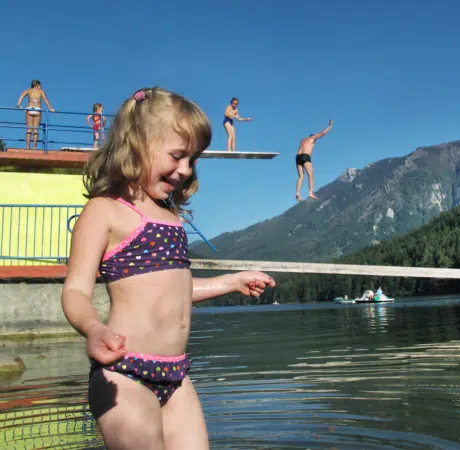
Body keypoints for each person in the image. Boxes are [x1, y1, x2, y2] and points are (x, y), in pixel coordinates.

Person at [61, 87, 275, 450]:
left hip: (177, 376)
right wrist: (93, 328)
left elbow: (174, 292)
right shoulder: (105, 211)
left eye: (192, 160)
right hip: (124, 373)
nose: (185, 170)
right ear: (138, 143)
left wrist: (230, 281)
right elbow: (76, 290)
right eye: (177, 156)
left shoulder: (172, 219)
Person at [295, 119, 332, 202]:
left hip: (297, 157)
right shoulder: (313, 138)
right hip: (305, 156)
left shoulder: (303, 140)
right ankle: (310, 192)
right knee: (311, 176)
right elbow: (323, 133)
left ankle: (297, 193)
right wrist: (329, 126)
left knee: (301, 176)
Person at [16, 80, 55, 150]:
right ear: (37, 85)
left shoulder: (28, 90)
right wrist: (50, 108)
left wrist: (19, 104)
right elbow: (45, 99)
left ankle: (27, 146)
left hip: (29, 108)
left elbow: (22, 95)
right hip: (37, 109)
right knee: (36, 130)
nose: (40, 87)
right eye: (39, 85)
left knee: (29, 129)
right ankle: (34, 147)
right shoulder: (41, 91)